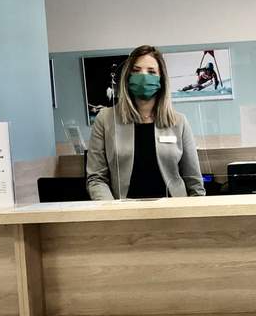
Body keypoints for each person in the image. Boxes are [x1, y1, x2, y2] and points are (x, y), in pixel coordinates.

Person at [86, 45, 205, 200]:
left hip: (173, 208)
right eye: (136, 71)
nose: (143, 76)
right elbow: (96, 179)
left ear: (161, 78)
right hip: (124, 210)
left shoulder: (179, 122)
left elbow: (194, 182)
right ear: (127, 77)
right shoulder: (105, 119)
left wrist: (194, 212)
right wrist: (112, 210)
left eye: (151, 72)